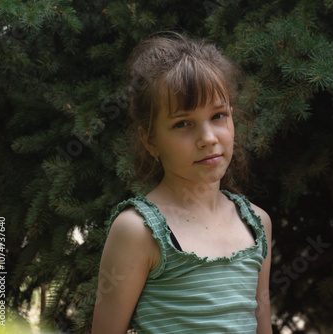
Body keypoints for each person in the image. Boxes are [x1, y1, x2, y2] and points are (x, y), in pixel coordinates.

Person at [91, 32, 272, 334]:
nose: (208, 138)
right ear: (150, 140)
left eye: (218, 116)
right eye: (182, 124)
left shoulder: (257, 224)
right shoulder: (138, 230)